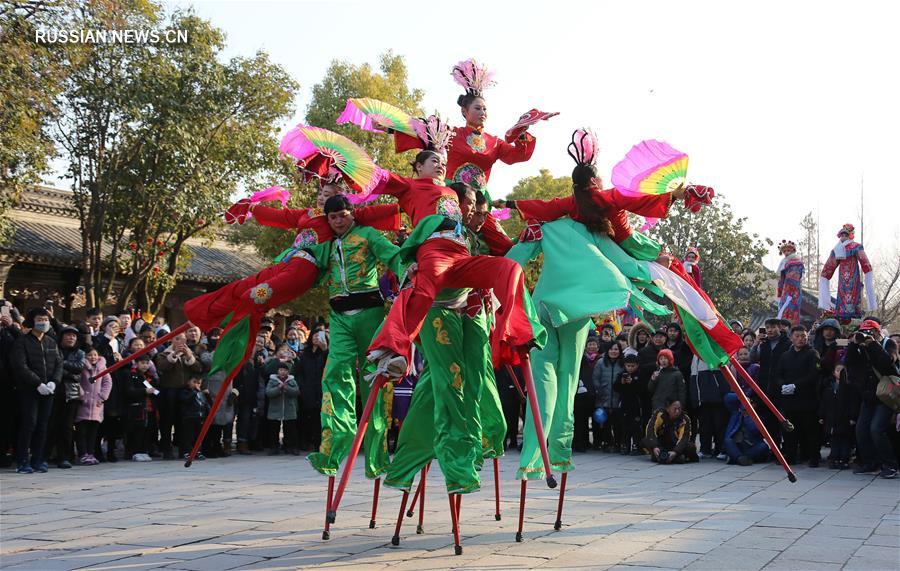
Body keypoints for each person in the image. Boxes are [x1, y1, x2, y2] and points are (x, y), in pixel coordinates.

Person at [306, 194, 400, 479]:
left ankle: (377, 456)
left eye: (342, 215)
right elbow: (306, 268)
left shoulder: (368, 235)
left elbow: (392, 256)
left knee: (374, 378)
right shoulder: (326, 245)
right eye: (332, 217)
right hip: (338, 317)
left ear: (352, 213)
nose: (338, 221)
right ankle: (332, 450)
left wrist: (411, 270)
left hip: (370, 314)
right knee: (335, 374)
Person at [10, 307, 62, 473]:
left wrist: (54, 381)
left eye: (46, 320)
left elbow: (59, 363)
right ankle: (22, 460)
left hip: (49, 390)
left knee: (43, 425)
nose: (43, 323)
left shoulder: (51, 342)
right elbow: (20, 366)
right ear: (32, 321)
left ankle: (38, 458)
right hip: (29, 390)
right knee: (29, 424)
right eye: (40, 319)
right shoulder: (22, 342)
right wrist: (37, 383)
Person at [845, 320, 898, 478]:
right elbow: (849, 363)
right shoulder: (859, 346)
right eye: (864, 331)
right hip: (868, 396)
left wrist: (873, 344)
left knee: (876, 429)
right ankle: (870, 463)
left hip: (885, 395)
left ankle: (890, 465)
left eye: (871, 332)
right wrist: (854, 344)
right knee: (861, 430)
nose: (867, 335)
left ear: (877, 332)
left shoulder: (888, 344)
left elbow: (888, 364)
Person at [775, 325, 822, 466]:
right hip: (789, 400)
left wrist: (796, 385)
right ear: (791, 338)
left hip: (807, 399)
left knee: (810, 430)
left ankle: (813, 457)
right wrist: (782, 385)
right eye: (797, 336)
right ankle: (790, 456)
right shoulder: (785, 355)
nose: (801, 339)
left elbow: (814, 374)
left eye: (803, 336)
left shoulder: (812, 354)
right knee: (790, 431)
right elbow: (778, 374)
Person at [155, 332, 202, 458]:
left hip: (185, 392)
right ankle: (167, 450)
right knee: (167, 422)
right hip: (169, 392)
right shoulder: (163, 354)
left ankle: (184, 450)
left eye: (183, 339)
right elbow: (163, 367)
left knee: (184, 422)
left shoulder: (190, 353)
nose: (181, 342)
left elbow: (198, 368)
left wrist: (188, 357)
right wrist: (174, 354)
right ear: (171, 340)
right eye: (177, 339)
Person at [819, 223, 877, 320]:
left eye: (845, 235)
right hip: (842, 278)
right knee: (842, 293)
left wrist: (867, 272)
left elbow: (864, 261)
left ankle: (853, 314)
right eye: (842, 235)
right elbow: (829, 266)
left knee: (853, 293)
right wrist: (824, 276)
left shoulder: (856, 247)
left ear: (850, 235)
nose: (843, 237)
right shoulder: (837, 249)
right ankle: (841, 314)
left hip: (853, 275)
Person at [50, 326, 84, 469]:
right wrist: (69, 372)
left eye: (74, 336)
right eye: (68, 335)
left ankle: (64, 456)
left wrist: (61, 365)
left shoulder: (80, 352)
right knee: (51, 424)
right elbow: (50, 367)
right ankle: (45, 455)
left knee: (67, 426)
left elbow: (79, 368)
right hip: (54, 390)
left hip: (71, 392)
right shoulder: (53, 349)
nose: (71, 338)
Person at [75, 347, 112, 466]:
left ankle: (90, 453)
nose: (93, 357)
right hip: (83, 404)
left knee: (93, 432)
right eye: (90, 355)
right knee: (81, 432)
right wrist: (82, 396)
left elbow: (108, 382)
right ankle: (83, 454)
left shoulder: (103, 368)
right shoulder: (81, 367)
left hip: (97, 405)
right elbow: (76, 381)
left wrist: (102, 397)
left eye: (95, 355)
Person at [757, 317, 790, 445]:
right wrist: (756, 344)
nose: (770, 330)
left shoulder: (787, 343)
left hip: (781, 387)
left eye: (773, 327)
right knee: (769, 421)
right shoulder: (764, 344)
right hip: (765, 386)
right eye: (768, 327)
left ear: (779, 328)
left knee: (782, 419)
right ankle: (773, 449)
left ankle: (786, 450)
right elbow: (753, 358)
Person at [689, 355, 729, 459]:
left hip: (717, 393)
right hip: (701, 394)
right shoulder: (695, 354)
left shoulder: (715, 347)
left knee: (719, 423)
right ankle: (705, 449)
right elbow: (694, 374)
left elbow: (725, 361)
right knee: (704, 424)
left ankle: (721, 449)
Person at [294, 330, 327, 451]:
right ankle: (304, 442)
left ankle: (319, 444)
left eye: (320, 336)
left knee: (318, 419)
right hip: (306, 390)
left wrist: (325, 350)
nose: (316, 338)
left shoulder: (325, 353)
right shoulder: (305, 354)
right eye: (314, 335)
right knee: (304, 417)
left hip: (320, 390)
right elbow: (299, 372)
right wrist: (302, 387)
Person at [122, 354, 158, 462]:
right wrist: (144, 391)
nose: (145, 366)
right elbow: (129, 391)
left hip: (148, 408)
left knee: (146, 430)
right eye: (142, 363)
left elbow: (155, 391)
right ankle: (134, 452)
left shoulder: (148, 376)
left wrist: (154, 389)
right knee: (135, 430)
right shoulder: (131, 375)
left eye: (147, 363)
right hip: (136, 408)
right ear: (136, 363)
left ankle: (143, 450)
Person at [643, 399, 697, 464]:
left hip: (675, 444)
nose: (677, 411)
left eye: (679, 409)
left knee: (691, 447)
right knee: (645, 441)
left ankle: (661, 458)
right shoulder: (660, 414)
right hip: (661, 444)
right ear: (668, 409)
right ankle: (671, 458)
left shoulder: (685, 419)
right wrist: (654, 446)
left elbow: (684, 438)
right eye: (675, 409)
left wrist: (675, 452)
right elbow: (650, 430)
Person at [591, 342, 623, 452]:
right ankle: (605, 442)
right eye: (611, 349)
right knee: (604, 423)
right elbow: (595, 379)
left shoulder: (623, 363)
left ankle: (618, 443)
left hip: (618, 399)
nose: (613, 351)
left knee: (618, 423)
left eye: (616, 349)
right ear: (607, 350)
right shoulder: (600, 362)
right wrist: (599, 391)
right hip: (602, 398)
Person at [722, 393, 768, 465]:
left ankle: (738, 458)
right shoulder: (736, 412)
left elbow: (754, 430)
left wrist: (747, 416)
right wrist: (742, 396)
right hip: (737, 444)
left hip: (751, 446)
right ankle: (740, 458)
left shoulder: (758, 416)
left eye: (751, 403)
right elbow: (727, 398)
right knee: (727, 441)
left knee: (763, 446)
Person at [265, 362, 300, 455]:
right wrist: (278, 388)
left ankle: (290, 447)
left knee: (290, 430)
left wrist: (287, 388)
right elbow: (268, 392)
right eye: (281, 370)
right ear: (277, 371)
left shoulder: (292, 380)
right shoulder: (272, 380)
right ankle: (273, 447)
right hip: (275, 410)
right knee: (273, 430)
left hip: (289, 410)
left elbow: (296, 391)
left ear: (288, 372)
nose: (282, 372)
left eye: (284, 370)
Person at [613, 354, 645, 455]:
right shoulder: (621, 375)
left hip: (636, 405)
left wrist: (633, 382)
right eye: (628, 366)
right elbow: (615, 388)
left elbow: (643, 390)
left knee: (636, 427)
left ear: (637, 365)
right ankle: (625, 445)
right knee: (624, 426)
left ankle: (636, 446)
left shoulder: (640, 375)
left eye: (632, 366)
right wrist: (621, 383)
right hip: (624, 405)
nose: (630, 368)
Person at [178, 374, 208, 461]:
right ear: (188, 382)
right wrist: (195, 392)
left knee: (198, 436)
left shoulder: (200, 393)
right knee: (188, 436)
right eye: (194, 382)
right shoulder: (184, 392)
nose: (196, 385)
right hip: (189, 417)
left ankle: (198, 452)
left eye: (199, 383)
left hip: (199, 417)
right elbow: (186, 400)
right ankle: (186, 452)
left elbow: (204, 404)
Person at [775, 240, 804, 326]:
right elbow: (781, 279)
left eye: (788, 250)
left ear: (793, 251)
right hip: (785, 289)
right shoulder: (784, 262)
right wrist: (780, 292)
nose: (786, 253)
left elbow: (796, 276)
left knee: (791, 308)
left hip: (794, 289)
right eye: (784, 251)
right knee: (784, 309)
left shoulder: (797, 262)